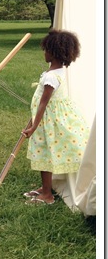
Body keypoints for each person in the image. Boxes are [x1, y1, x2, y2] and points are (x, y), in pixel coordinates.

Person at [22, 29, 90, 205]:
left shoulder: (52, 77)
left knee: (45, 156)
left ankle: (47, 196)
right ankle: (46, 188)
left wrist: (33, 127)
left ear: (54, 52)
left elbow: (43, 103)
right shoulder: (57, 72)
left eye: (46, 49)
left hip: (47, 122)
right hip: (52, 119)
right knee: (47, 155)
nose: (44, 53)